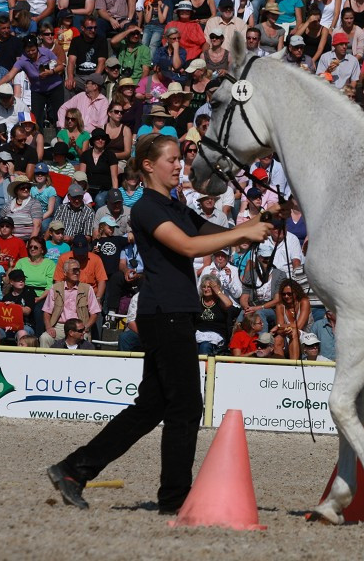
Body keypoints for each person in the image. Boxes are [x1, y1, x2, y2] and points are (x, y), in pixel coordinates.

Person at [46, 133, 273, 512]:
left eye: (178, 160)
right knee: (185, 407)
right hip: (164, 313)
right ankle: (175, 499)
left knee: (151, 407)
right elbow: (186, 246)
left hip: (170, 312)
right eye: (171, 159)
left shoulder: (175, 204)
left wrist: (259, 222)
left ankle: (73, 469)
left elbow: (211, 235)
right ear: (148, 165)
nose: (178, 165)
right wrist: (243, 232)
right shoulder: (146, 208)